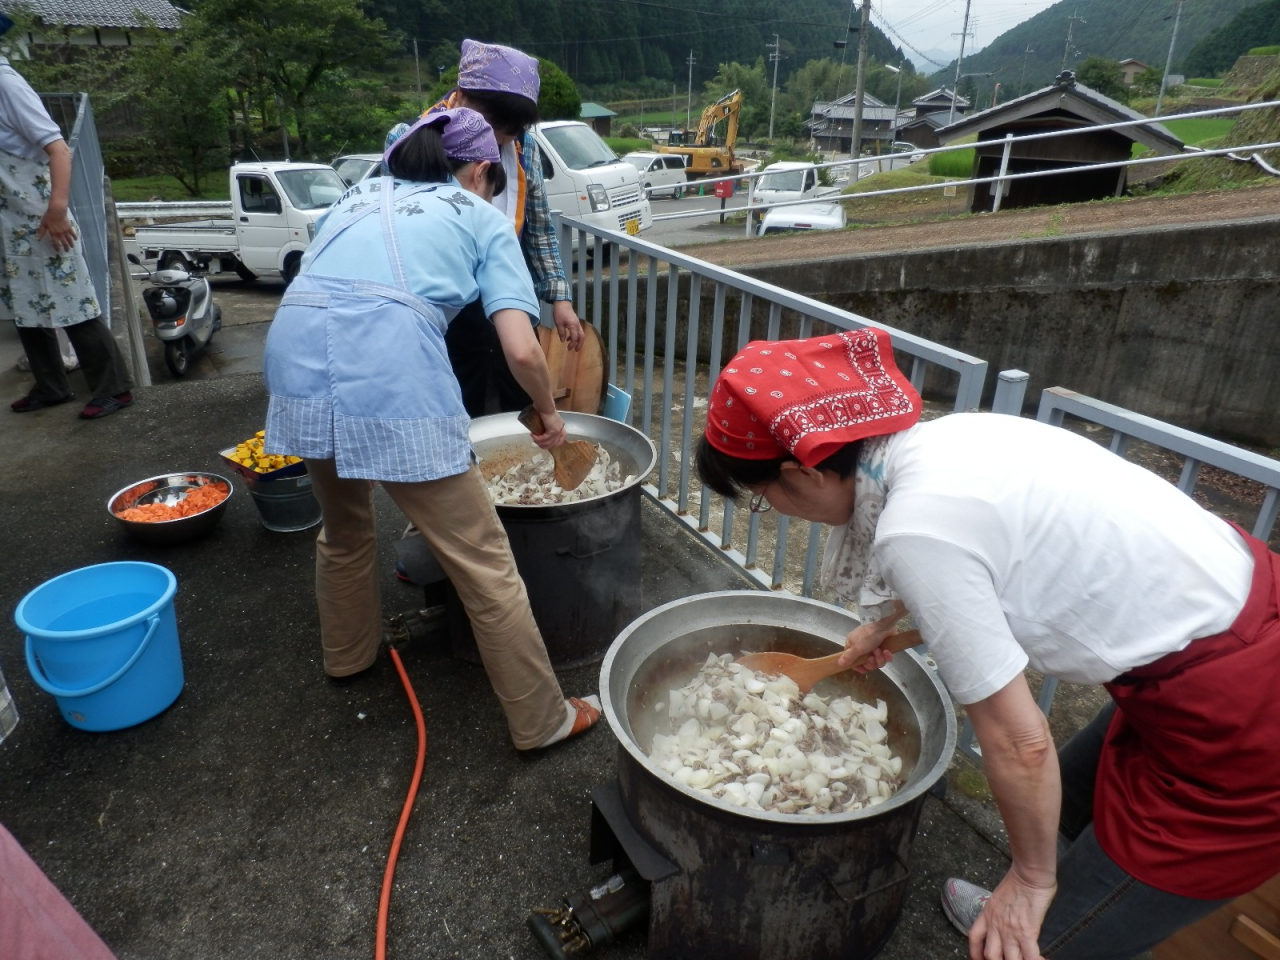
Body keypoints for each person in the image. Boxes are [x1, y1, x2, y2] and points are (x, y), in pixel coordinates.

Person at [695, 326, 1280, 960]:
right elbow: (1002, 576)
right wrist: (896, 626)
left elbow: (1021, 744)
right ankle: (1039, 882)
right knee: (1069, 807)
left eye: (761, 500)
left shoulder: (915, 530)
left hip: (1246, 724)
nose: (776, 514)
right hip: (1214, 627)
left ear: (801, 470)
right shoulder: (945, 439)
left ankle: (1034, 906)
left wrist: (1031, 881)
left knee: (1037, 945)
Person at [261, 108, 600, 750]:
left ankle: (349, 657)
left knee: (345, 527)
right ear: (478, 171)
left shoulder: (356, 195)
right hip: (389, 371)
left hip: (296, 355)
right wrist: (549, 416)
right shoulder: (477, 216)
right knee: (485, 563)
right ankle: (542, 721)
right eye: (490, 181)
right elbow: (526, 351)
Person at [426, 39, 584, 417]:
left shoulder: (523, 145)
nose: (500, 138)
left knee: (520, 385)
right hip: (447, 296)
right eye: (495, 123)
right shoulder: (419, 135)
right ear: (461, 96)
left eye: (511, 128)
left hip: (508, 285)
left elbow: (539, 224)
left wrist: (559, 298)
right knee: (461, 389)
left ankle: (521, 462)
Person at [0, 19, 133, 420]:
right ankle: (51, 386)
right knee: (24, 302)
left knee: (71, 299)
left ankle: (114, 388)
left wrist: (57, 209)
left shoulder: (7, 85)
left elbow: (59, 149)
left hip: (41, 214)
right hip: (11, 222)